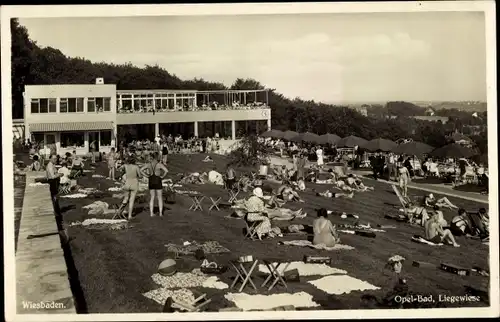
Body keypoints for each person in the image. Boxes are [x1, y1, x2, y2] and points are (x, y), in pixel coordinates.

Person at [140, 152, 168, 217]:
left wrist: (147, 175)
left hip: (151, 179)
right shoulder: (159, 164)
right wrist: (162, 176)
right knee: (160, 197)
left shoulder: (148, 164)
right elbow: (166, 171)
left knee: (152, 197)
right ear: (156, 157)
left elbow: (141, 170)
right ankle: (160, 213)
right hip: (158, 180)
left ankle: (151, 213)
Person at [121, 155, 142, 220]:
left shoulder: (126, 166)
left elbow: (121, 170)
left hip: (127, 183)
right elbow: (140, 175)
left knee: (126, 198)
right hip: (134, 183)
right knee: (132, 200)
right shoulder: (136, 167)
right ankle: (129, 215)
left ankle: (120, 211)